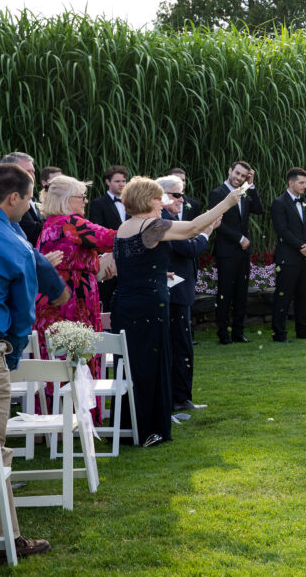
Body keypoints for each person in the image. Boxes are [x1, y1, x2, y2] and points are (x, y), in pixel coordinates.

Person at [112, 176, 241, 447]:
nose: (164, 203)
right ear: (147, 200)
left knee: (131, 366)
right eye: (160, 198)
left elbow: (136, 265)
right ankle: (149, 429)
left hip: (125, 304)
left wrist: (160, 272)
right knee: (149, 365)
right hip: (148, 306)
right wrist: (226, 203)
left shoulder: (124, 227)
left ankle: (128, 428)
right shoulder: (152, 225)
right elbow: (192, 228)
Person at [0, 163, 67, 558]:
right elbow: (24, 312)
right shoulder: (12, 241)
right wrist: (14, 351)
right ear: (13, 198)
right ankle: (5, 538)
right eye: (28, 196)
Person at [33, 175, 117, 422]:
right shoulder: (71, 223)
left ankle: (49, 419)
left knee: (53, 360)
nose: (85, 201)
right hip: (72, 301)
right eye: (82, 197)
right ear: (68, 200)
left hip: (51, 298)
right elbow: (111, 238)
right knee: (76, 357)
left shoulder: (50, 225)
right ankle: (79, 418)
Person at [158, 175, 214, 413]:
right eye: (177, 194)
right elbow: (188, 248)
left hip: (180, 289)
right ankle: (178, 398)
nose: (182, 200)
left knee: (183, 346)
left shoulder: (170, 218)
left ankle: (181, 396)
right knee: (180, 346)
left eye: (182, 194)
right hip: (174, 291)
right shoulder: (163, 219)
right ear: (162, 196)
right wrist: (207, 232)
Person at [208, 161, 264, 345]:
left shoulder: (245, 192)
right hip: (227, 251)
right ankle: (223, 333)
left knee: (241, 292)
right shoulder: (217, 194)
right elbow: (217, 222)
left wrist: (252, 185)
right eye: (237, 173)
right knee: (225, 292)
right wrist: (239, 238)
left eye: (243, 176)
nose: (239, 178)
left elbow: (259, 210)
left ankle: (238, 332)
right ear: (230, 170)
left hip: (243, 253)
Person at [271, 167, 306, 342]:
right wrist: (303, 247)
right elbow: (282, 231)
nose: (305, 186)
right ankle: (279, 333)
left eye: (305, 182)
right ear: (291, 183)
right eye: (301, 182)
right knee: (283, 296)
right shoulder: (279, 203)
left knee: (305, 296)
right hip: (288, 258)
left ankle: (304, 330)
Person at [89, 164, 129, 310]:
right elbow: (97, 229)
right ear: (108, 182)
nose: (121, 184)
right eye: (117, 181)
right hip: (109, 257)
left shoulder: (131, 202)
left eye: (124, 181)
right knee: (108, 298)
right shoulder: (98, 203)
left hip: (129, 257)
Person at [0, 153, 42, 246]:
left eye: (33, 171)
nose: (32, 176)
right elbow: (32, 233)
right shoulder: (12, 202)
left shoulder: (34, 198)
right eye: (27, 172)